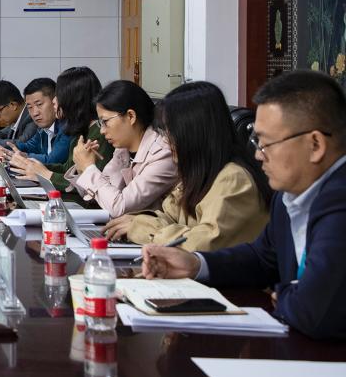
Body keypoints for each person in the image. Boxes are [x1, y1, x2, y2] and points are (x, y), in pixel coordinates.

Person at [142, 71, 346, 339]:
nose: (259, 155)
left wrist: (285, 294)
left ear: (315, 144)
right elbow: (262, 258)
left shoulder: (339, 200)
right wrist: (196, 264)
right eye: (257, 142)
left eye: (267, 143)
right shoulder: (288, 198)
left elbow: (315, 312)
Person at [109, 81, 270, 251]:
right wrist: (136, 222)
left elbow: (204, 244)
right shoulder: (199, 175)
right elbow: (168, 216)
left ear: (192, 134)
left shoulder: (233, 179)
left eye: (170, 132)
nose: (166, 141)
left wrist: (142, 228)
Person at [66, 80, 178, 217]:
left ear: (131, 116)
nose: (102, 131)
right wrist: (82, 168)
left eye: (105, 122)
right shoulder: (123, 150)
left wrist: (89, 168)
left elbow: (120, 207)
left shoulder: (163, 154)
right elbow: (98, 197)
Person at [8, 67, 114, 189]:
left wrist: (45, 174)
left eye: (59, 94)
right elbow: (67, 169)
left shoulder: (101, 133)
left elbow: (90, 186)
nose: (54, 101)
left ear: (74, 98)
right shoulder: (80, 131)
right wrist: (30, 165)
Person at [0, 78, 71, 164]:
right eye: (30, 107)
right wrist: (2, 150)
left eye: (39, 104)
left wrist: (19, 156)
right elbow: (27, 147)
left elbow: (52, 161)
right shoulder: (42, 130)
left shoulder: (67, 127)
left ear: (55, 102)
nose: (34, 113)